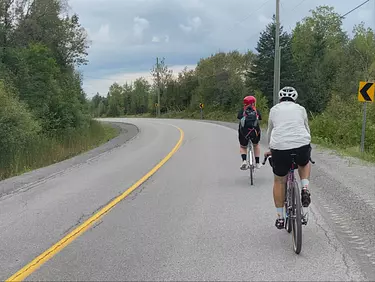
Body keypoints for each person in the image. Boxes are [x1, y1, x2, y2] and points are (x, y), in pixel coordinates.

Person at [264, 86, 312, 229]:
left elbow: (270, 131)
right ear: (295, 99)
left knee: (279, 181)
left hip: (280, 147)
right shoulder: (301, 109)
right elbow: (306, 128)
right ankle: (305, 188)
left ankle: (280, 217)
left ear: (280, 98)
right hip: (301, 144)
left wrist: (270, 149)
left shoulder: (274, 110)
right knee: (304, 162)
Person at [237, 95, 262, 170]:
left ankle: (244, 161)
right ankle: (257, 163)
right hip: (255, 132)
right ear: (253, 103)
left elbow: (238, 117)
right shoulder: (256, 111)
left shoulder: (242, 110)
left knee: (243, 146)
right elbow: (260, 118)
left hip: (244, 133)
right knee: (256, 145)